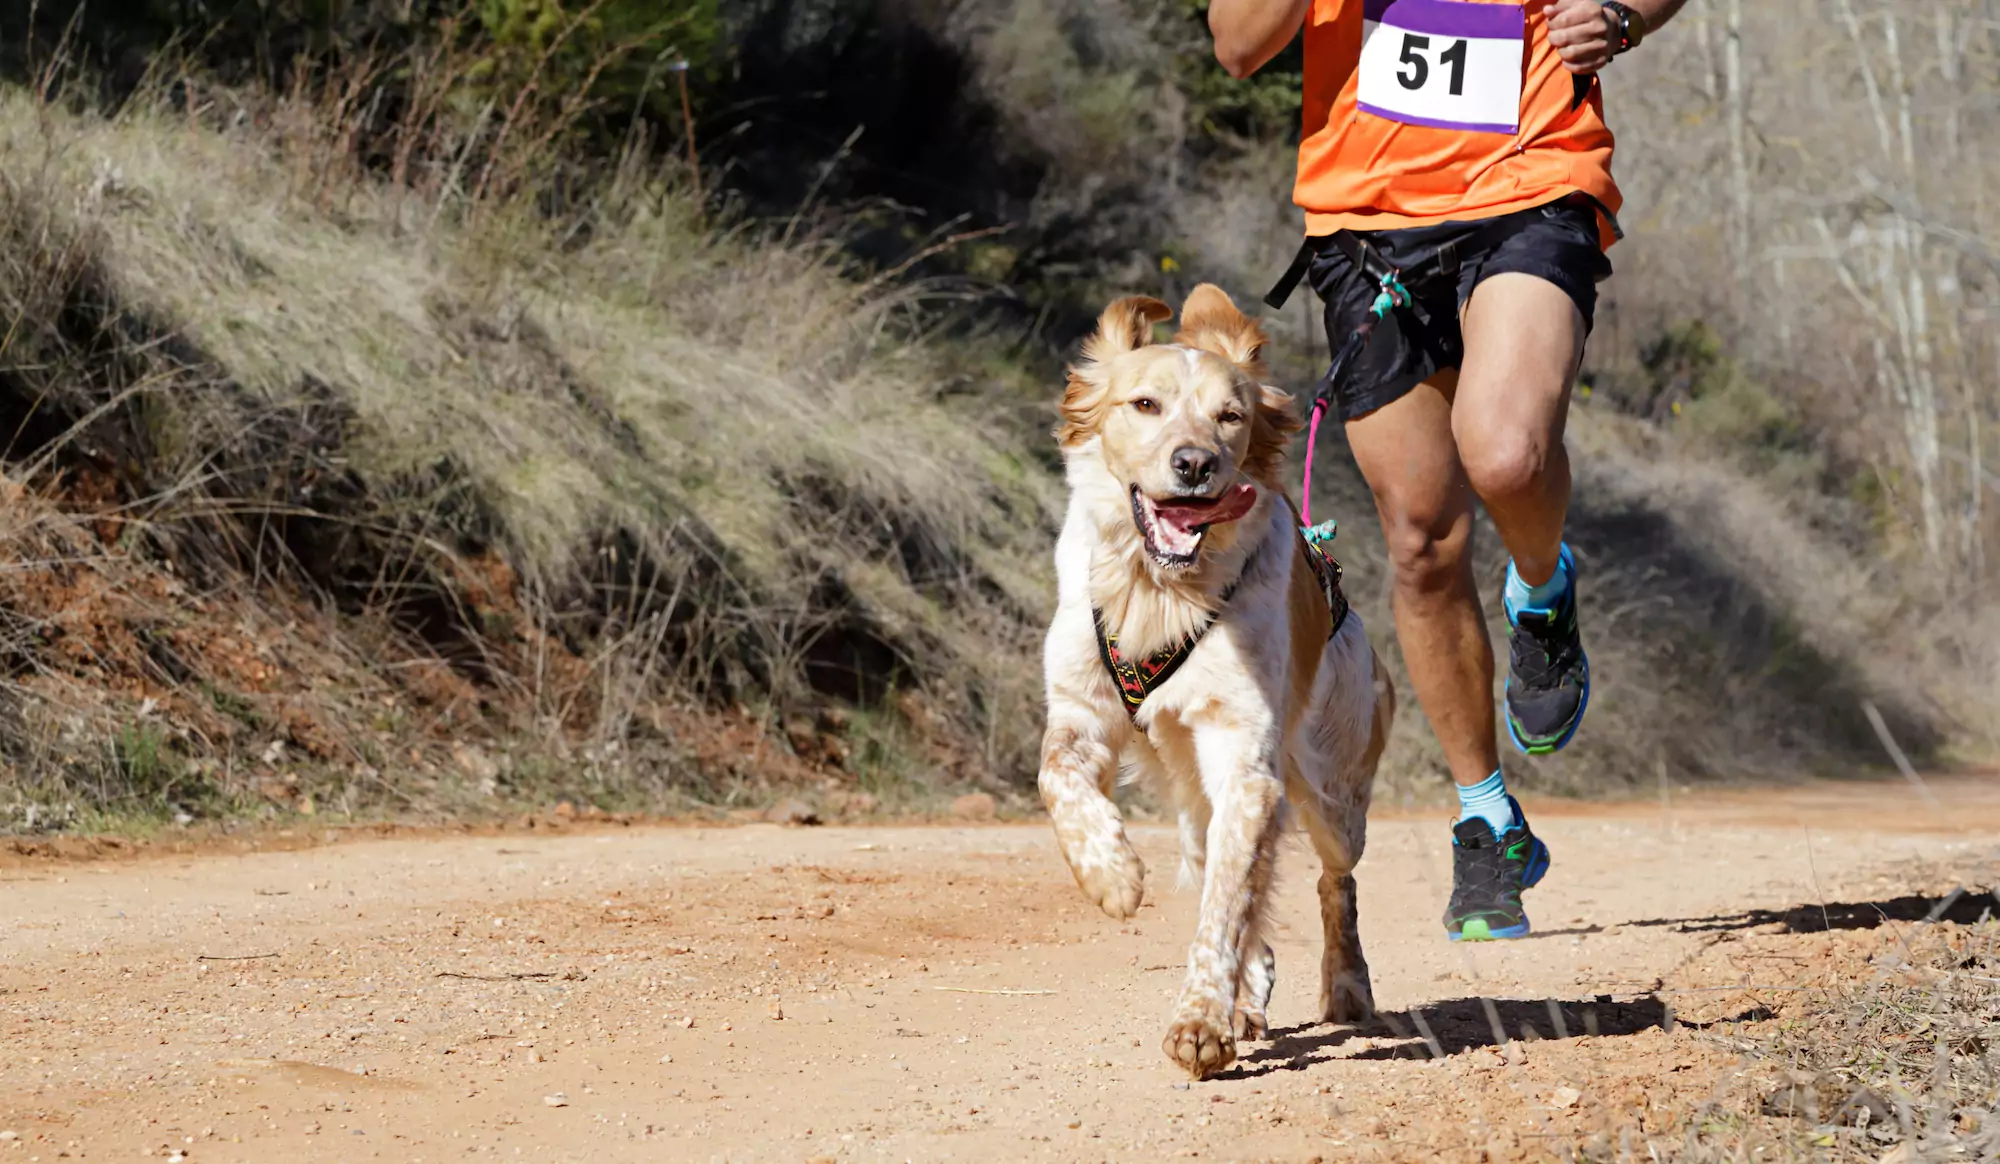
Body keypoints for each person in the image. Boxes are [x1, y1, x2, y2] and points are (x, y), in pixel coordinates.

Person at [1208, 0, 1687, 940]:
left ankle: (1542, 592)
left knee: (1506, 453)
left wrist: (1623, 19)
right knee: (1421, 539)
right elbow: (1235, 45)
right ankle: (1486, 816)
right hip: (1364, 220)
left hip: (1531, 178)